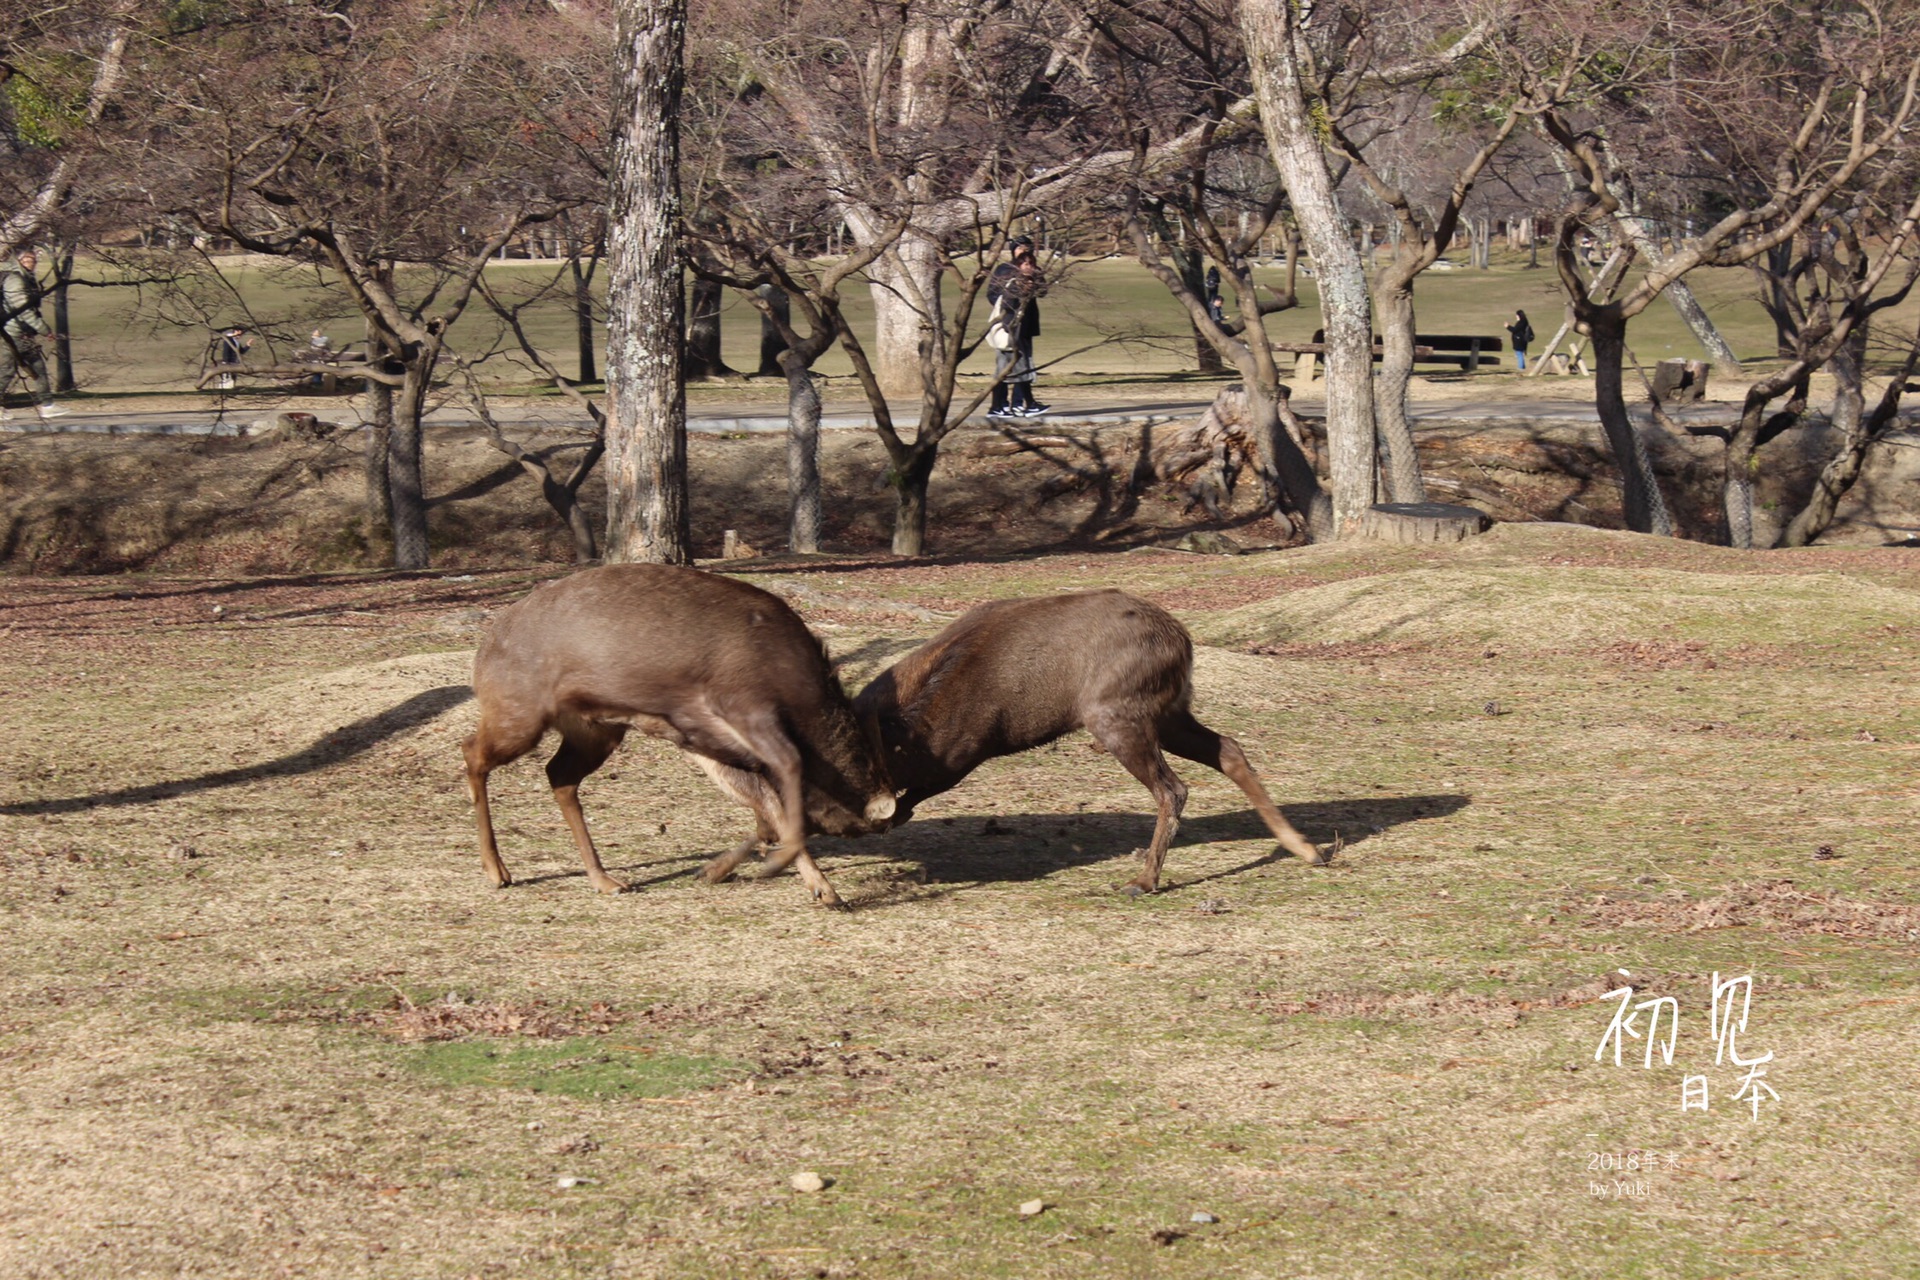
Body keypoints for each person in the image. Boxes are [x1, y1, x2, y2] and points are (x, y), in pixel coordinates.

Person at [985, 235, 1048, 419]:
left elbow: (1043, 291)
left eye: (1027, 249)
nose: (1024, 252)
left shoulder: (1033, 270)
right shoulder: (1005, 270)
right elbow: (994, 295)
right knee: (1008, 366)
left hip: (1026, 325)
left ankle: (1015, 404)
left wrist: (1034, 277)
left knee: (1022, 365)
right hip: (1009, 327)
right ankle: (1002, 405)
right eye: (1020, 249)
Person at [1, 249, 66, 421]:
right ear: (20, 260)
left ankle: (47, 405)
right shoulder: (14, 280)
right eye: (29, 260)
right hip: (13, 334)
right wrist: (45, 330)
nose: (33, 263)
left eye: (34, 260)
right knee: (6, 372)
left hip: (23, 334)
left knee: (38, 369)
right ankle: (46, 405)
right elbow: (24, 311)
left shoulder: (25, 278)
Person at [213, 325, 252, 390]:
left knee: (233, 376)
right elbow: (227, 337)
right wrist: (226, 362)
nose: (240, 336)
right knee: (227, 377)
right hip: (227, 361)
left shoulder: (237, 342)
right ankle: (224, 389)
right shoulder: (229, 339)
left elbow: (241, 351)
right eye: (239, 334)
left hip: (234, 362)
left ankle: (231, 388)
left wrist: (247, 345)